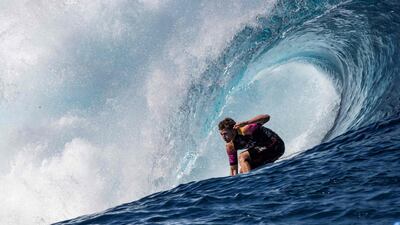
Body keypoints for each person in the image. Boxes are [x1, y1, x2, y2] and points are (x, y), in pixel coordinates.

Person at [218, 114, 285, 176]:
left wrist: (247, 122)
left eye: (225, 134)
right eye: (221, 134)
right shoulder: (230, 146)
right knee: (243, 170)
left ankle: (251, 181)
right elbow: (233, 170)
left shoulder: (245, 129)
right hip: (265, 153)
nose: (223, 137)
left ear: (233, 130)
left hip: (277, 146)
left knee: (242, 156)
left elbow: (267, 117)